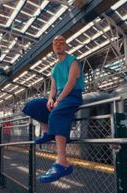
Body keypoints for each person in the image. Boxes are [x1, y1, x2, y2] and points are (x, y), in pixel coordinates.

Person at [22, 35, 84, 183]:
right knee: (32, 105)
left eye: (61, 42)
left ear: (66, 45)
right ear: (53, 47)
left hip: (72, 96)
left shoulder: (72, 61)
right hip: (60, 97)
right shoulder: (54, 69)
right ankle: (47, 131)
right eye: (55, 43)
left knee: (57, 112)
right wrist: (50, 99)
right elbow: (53, 89)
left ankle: (63, 162)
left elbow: (70, 83)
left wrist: (58, 101)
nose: (58, 45)